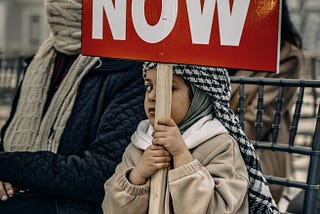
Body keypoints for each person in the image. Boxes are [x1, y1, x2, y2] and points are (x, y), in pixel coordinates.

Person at [0, 0, 146, 213]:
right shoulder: (44, 56)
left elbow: (103, 172)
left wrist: (8, 167)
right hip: (22, 198)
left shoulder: (127, 63)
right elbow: (7, 140)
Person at [102, 63, 279, 213]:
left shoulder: (220, 146)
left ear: (198, 96)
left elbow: (218, 209)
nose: (153, 96)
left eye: (169, 88)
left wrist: (181, 156)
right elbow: (110, 207)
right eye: (149, 86)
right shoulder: (140, 145)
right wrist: (137, 177)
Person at [228, 0, 303, 204]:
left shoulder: (286, 56)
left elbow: (259, 119)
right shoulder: (223, 47)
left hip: (257, 159)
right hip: (219, 154)